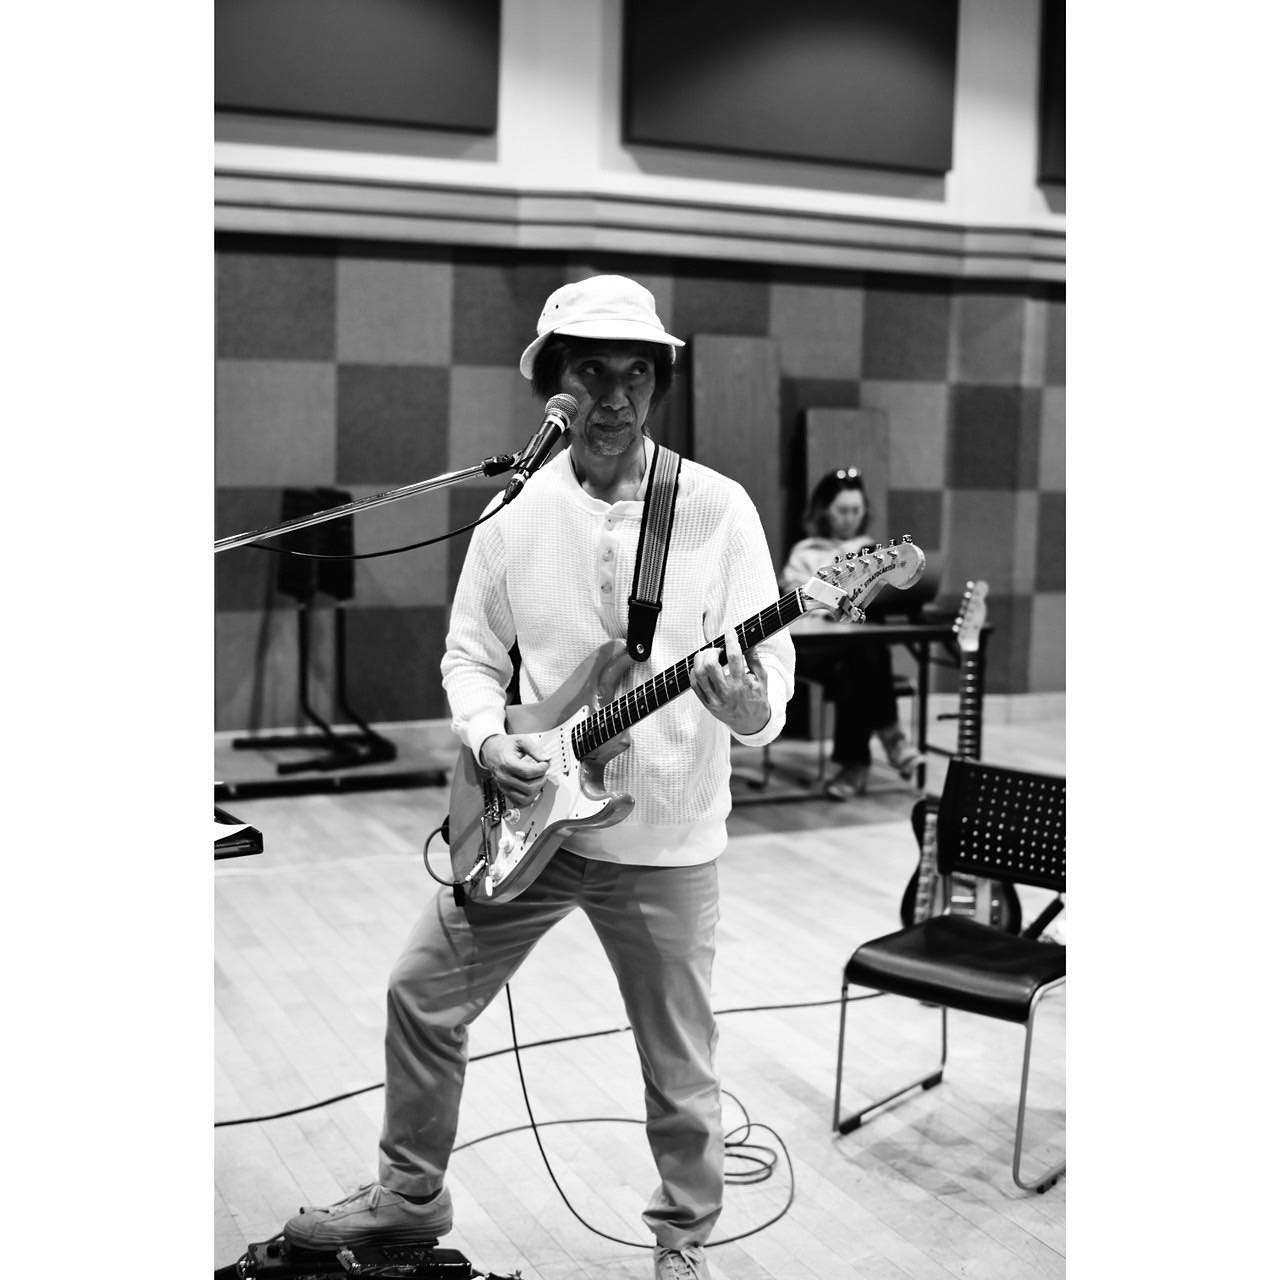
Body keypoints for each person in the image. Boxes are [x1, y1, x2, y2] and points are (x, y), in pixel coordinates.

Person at [283, 274, 795, 1280]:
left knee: (679, 1064)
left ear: (657, 385)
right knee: (420, 993)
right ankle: (409, 1198)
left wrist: (745, 708)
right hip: (530, 821)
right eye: (592, 372)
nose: (616, 396)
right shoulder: (513, 510)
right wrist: (487, 741)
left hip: (664, 840)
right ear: (554, 384)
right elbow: (471, 656)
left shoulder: (717, 509)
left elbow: (768, 685)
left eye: (637, 374)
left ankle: (683, 1242)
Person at [779, 467, 921, 799]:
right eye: (842, 510)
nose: (849, 518)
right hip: (813, 648)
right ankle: (891, 735)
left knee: (858, 660)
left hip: (851, 651)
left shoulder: (873, 552)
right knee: (865, 654)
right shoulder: (805, 552)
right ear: (824, 510)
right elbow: (795, 604)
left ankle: (854, 766)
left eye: (856, 510)